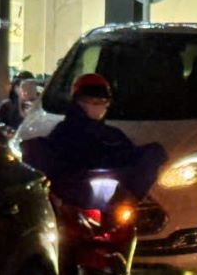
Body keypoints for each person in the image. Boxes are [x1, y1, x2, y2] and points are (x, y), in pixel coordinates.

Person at [22, 73, 166, 206]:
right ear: (77, 101)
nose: (97, 106)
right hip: (75, 203)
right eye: (91, 101)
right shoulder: (65, 132)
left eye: (102, 102)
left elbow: (131, 157)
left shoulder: (113, 135)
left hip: (114, 202)